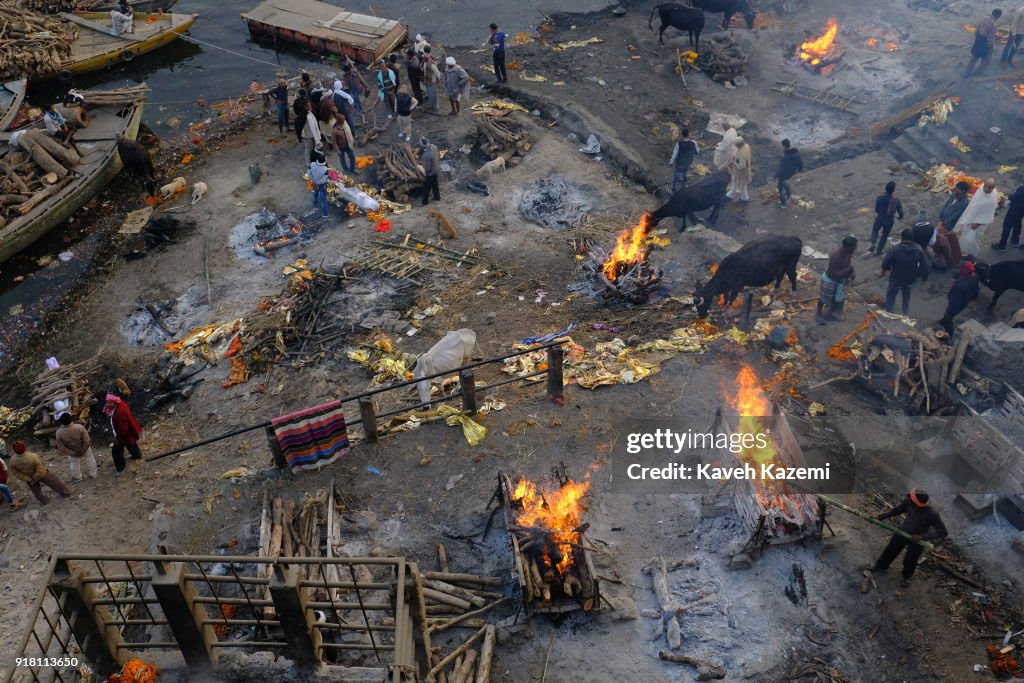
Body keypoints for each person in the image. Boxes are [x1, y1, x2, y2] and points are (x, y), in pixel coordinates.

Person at [872, 488, 947, 587]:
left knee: (910, 560)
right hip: (902, 532)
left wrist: (922, 536)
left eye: (910, 496)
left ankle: (907, 577)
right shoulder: (908, 502)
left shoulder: (931, 514)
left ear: (915, 502)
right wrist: (881, 516)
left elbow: (943, 532)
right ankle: (880, 567)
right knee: (890, 551)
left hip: (917, 540)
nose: (908, 496)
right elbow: (897, 510)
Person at [881, 228, 929, 316]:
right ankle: (905, 312)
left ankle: (889, 312)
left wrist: (885, 270)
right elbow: (925, 266)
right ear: (913, 238)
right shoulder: (918, 249)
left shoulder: (896, 249)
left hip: (896, 276)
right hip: (910, 277)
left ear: (902, 238)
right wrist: (924, 279)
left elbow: (885, 262)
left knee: (891, 293)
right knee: (906, 294)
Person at [9, 440, 71, 505]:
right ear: (24, 448)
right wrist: (35, 477)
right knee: (54, 481)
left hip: (29, 478)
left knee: (36, 491)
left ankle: (44, 501)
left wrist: (28, 479)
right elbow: (40, 468)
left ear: (14, 450)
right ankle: (65, 493)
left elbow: (16, 473)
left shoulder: (12, 461)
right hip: (41, 474)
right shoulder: (32, 456)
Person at [817, 236, 857, 323]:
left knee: (837, 299)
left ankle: (830, 314)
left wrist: (852, 271)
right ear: (848, 247)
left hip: (840, 282)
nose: (856, 248)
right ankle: (818, 314)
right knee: (823, 299)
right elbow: (835, 274)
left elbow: (849, 263)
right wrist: (849, 269)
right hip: (830, 281)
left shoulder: (849, 252)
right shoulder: (837, 256)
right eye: (854, 246)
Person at [954, 178, 998, 258]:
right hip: (970, 217)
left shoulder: (992, 199)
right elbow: (973, 203)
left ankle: (972, 255)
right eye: (986, 186)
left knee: (973, 241)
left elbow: (988, 214)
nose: (987, 189)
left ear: (993, 188)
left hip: (978, 224)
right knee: (964, 235)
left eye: (990, 188)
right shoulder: (980, 190)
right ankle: (963, 252)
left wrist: (978, 223)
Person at [103, 394, 142, 475]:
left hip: (124, 434)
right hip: (129, 432)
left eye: (110, 403)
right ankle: (137, 455)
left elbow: (122, 428)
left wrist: (118, 438)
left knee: (116, 451)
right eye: (107, 402)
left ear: (115, 402)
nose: (107, 405)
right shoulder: (120, 405)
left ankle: (121, 468)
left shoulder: (120, 412)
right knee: (131, 444)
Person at [939, 262, 981, 333]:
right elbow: (976, 289)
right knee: (951, 315)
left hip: (957, 305)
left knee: (948, 316)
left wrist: (949, 312)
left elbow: (954, 302)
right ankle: (945, 320)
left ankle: (950, 331)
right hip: (965, 301)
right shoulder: (975, 277)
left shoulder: (959, 286)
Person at [55, 412, 97, 482]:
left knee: (74, 464)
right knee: (90, 459)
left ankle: (77, 478)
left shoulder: (59, 432)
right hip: (84, 448)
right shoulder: (79, 427)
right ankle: (93, 474)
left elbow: (61, 447)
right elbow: (87, 440)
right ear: (71, 419)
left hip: (72, 450)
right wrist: (83, 450)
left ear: (61, 422)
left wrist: (71, 453)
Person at [868, 181, 904, 255]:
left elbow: (876, 210)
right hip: (889, 221)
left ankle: (873, 243)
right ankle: (879, 250)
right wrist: (900, 217)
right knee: (884, 235)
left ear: (885, 189)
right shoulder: (896, 200)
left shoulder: (879, 198)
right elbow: (900, 212)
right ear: (893, 190)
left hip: (879, 219)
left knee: (875, 230)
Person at [965, 9, 1002, 77]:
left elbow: (976, 30)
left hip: (978, 40)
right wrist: (990, 47)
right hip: (985, 44)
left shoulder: (984, 18)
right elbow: (990, 39)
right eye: (1000, 15)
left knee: (974, 57)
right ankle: (979, 72)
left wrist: (977, 40)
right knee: (986, 60)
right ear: (998, 15)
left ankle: (966, 73)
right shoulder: (994, 25)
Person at [992, 181, 1024, 252]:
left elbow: (1015, 196)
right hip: (1021, 209)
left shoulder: (1022, 188)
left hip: (1015, 209)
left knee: (1007, 226)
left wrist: (1009, 196)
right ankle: (1015, 241)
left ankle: (1001, 246)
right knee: (1017, 224)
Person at [668, 128, 699, 193]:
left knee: (676, 178)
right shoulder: (693, 143)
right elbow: (697, 152)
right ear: (688, 134)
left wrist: (671, 162)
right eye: (690, 133)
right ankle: (684, 189)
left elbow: (674, 154)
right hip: (688, 164)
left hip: (679, 164)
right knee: (685, 177)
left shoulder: (679, 143)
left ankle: (674, 191)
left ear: (682, 135)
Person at [775, 139, 803, 208]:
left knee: (780, 187)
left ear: (784, 146)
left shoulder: (785, 158)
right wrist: (799, 170)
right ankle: (788, 196)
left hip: (784, 174)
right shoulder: (796, 153)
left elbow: (781, 169)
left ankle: (783, 203)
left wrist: (775, 175)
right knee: (786, 183)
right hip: (791, 173)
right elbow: (801, 163)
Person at [309, 150, 330, 218]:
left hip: (314, 183)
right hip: (321, 185)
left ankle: (315, 207)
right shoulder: (325, 169)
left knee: (315, 194)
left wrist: (314, 181)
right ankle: (325, 214)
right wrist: (318, 182)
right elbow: (324, 179)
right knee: (323, 199)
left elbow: (309, 174)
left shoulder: (312, 164)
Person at [420, 136, 441, 205]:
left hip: (431, 173)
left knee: (427, 187)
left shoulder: (425, 155)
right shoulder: (434, 147)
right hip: (437, 168)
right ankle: (437, 197)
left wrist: (425, 172)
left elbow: (427, 168)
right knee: (435, 184)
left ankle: (424, 201)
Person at [421, 47, 442, 112]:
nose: (423, 60)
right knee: (430, 94)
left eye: (424, 59)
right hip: (427, 80)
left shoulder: (432, 65)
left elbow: (438, 73)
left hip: (432, 81)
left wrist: (438, 79)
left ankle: (436, 107)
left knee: (434, 94)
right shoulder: (425, 62)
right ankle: (432, 105)